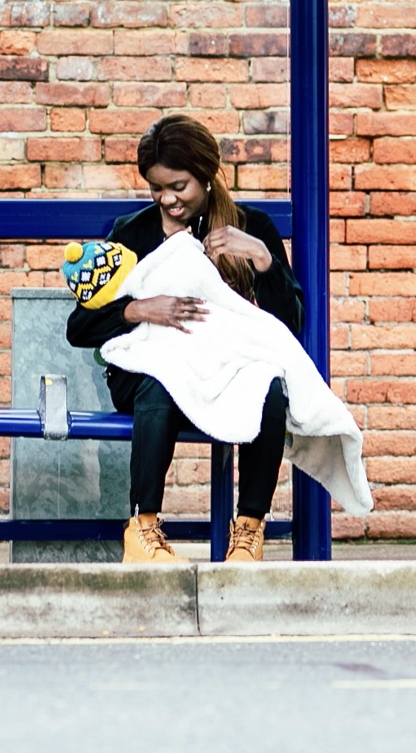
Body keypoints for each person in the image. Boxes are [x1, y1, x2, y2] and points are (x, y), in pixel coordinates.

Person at [66, 114, 302, 564]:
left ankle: (249, 532)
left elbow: (289, 322)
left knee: (269, 388)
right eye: (157, 188)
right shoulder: (131, 233)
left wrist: (260, 257)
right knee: (161, 378)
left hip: (225, 370)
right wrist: (138, 309)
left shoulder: (251, 228)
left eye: (179, 186)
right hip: (148, 373)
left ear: (208, 175)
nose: (167, 199)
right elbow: (78, 327)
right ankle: (143, 528)